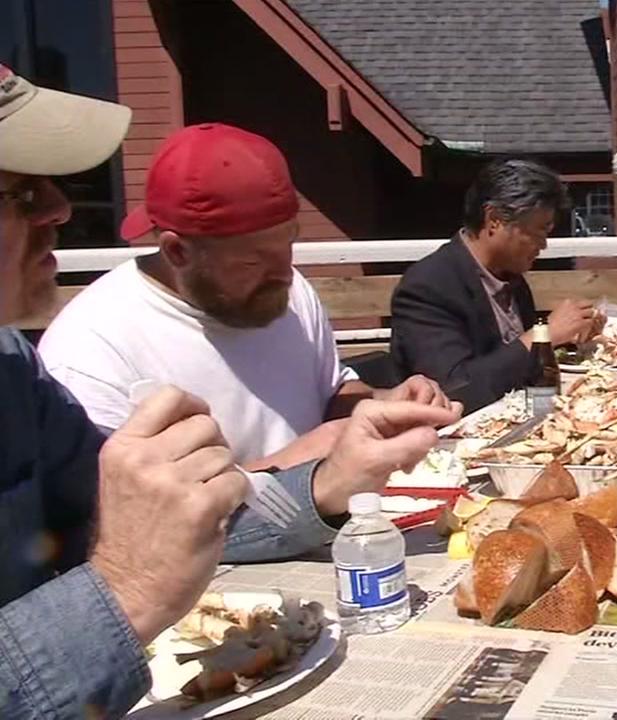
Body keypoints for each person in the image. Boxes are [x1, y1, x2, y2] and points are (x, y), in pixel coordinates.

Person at [0, 67, 459, 719]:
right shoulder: (85, 344)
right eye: (21, 192)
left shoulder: (13, 369)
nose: (61, 210)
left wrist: (328, 481)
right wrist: (126, 592)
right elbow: (133, 557)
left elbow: (157, 528)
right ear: (176, 252)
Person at [38, 123, 448, 469]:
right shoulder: (90, 351)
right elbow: (126, 522)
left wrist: (385, 405)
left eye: (288, 245)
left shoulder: (288, 288)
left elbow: (330, 392)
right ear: (177, 251)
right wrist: (297, 466)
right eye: (253, 261)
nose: (284, 273)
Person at [390, 159, 600, 413]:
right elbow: (455, 389)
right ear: (494, 220)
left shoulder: (509, 274)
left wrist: (572, 336)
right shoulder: (427, 286)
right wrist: (542, 336)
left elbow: (514, 361)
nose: (543, 245)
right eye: (539, 231)